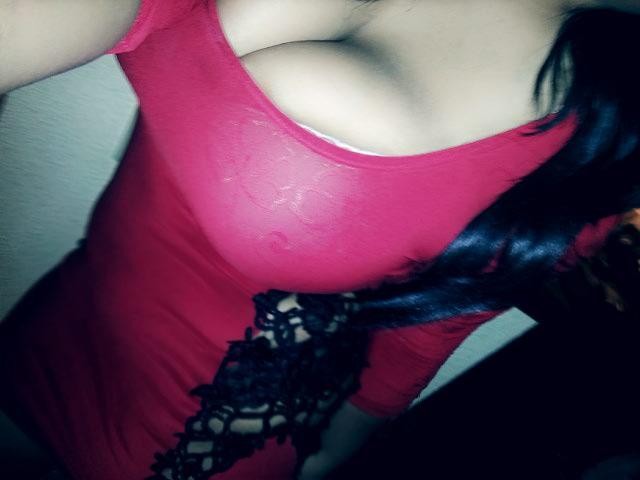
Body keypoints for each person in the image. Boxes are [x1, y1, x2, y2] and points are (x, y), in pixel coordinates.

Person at [1, 1, 638, 479]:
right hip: (63, 319)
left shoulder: (597, 130)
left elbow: (420, 337)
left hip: (196, 438)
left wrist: (327, 459)